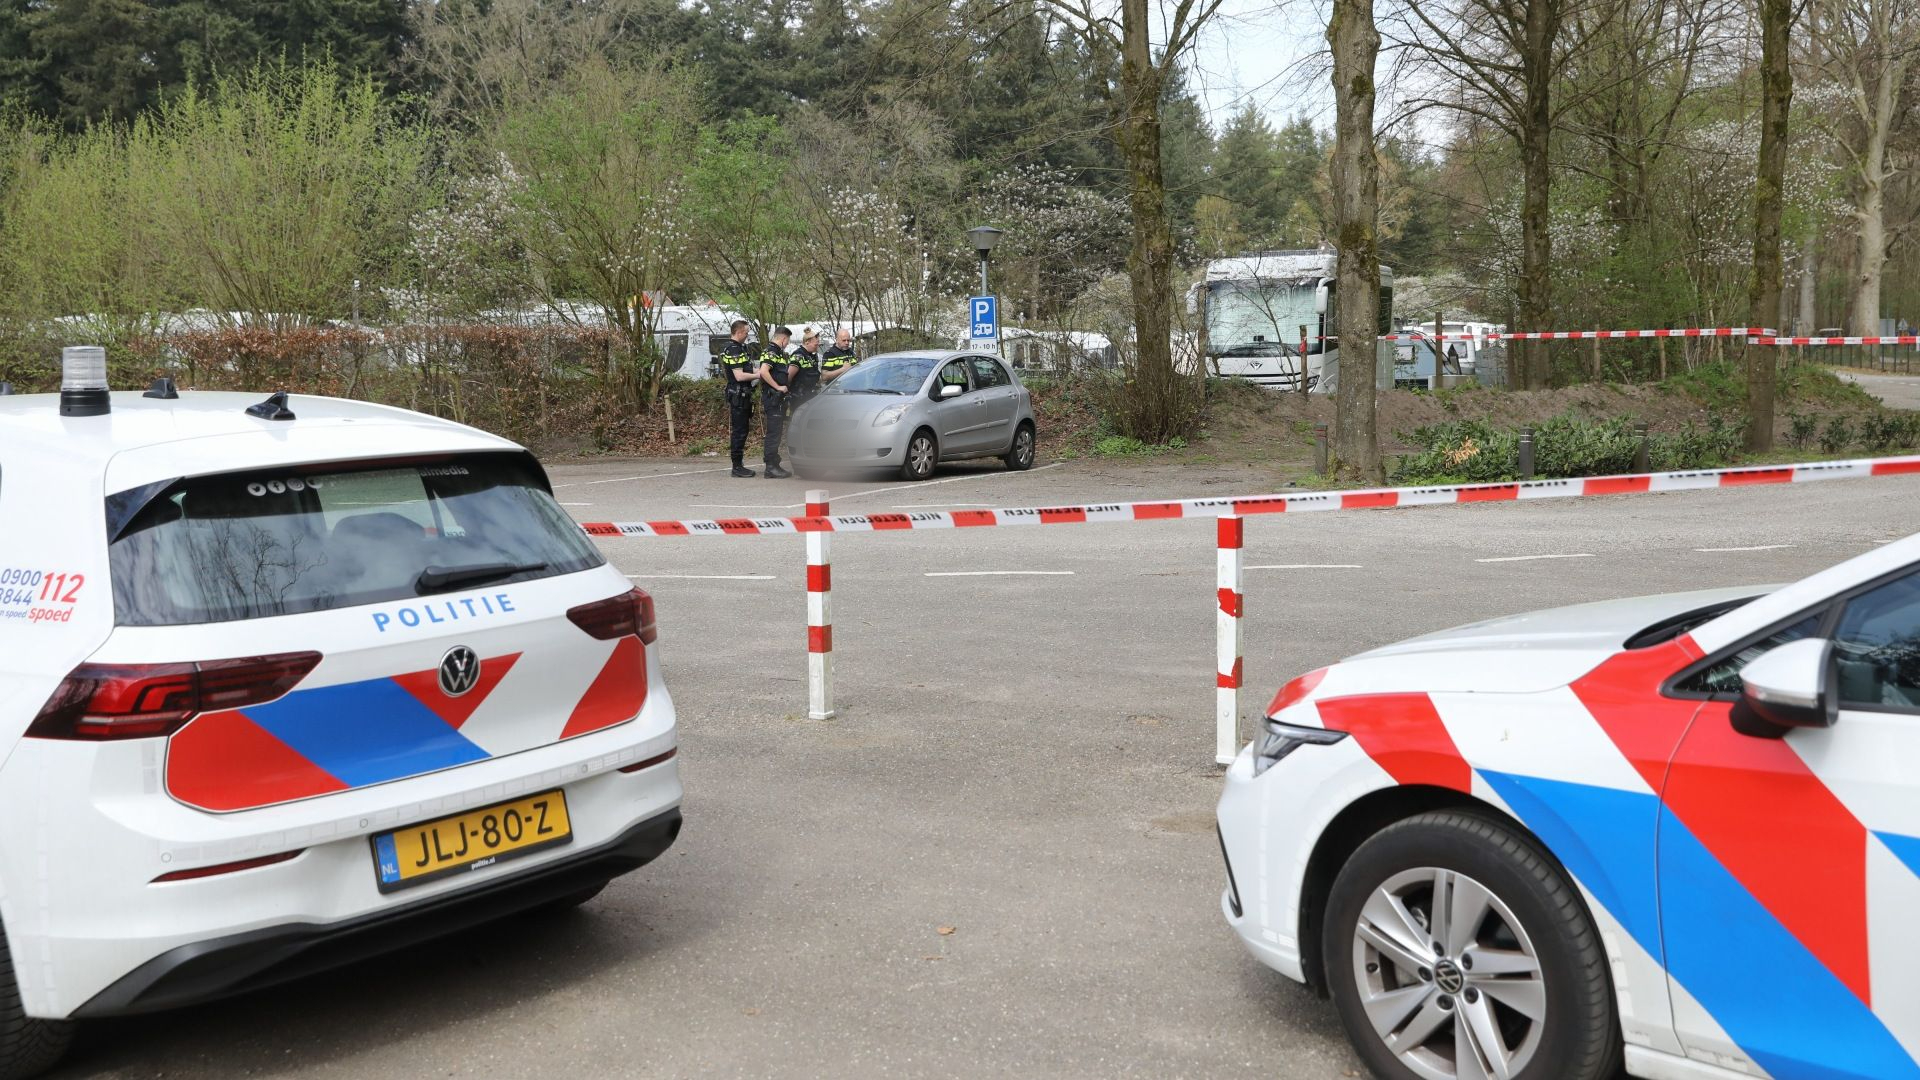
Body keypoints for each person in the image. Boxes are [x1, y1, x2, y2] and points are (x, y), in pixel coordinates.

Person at [718, 319, 760, 478]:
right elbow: (739, 375)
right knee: (739, 431)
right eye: (747, 332)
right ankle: (736, 466)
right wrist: (759, 375)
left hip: (743, 394)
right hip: (738, 394)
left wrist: (760, 370)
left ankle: (739, 464)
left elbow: (747, 368)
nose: (747, 335)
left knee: (743, 430)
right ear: (740, 332)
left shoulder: (739, 349)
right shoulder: (733, 349)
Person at [756, 325, 795, 480]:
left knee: (776, 433)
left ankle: (774, 464)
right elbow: (763, 371)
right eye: (787, 340)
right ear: (783, 338)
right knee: (773, 434)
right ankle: (770, 467)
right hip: (773, 398)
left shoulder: (776, 352)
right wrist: (778, 386)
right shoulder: (772, 351)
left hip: (777, 399)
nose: (787, 343)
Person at [790, 327, 822, 408]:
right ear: (807, 342)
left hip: (809, 396)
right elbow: (788, 376)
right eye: (816, 344)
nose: (817, 346)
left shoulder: (811, 356)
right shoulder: (799, 355)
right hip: (798, 398)